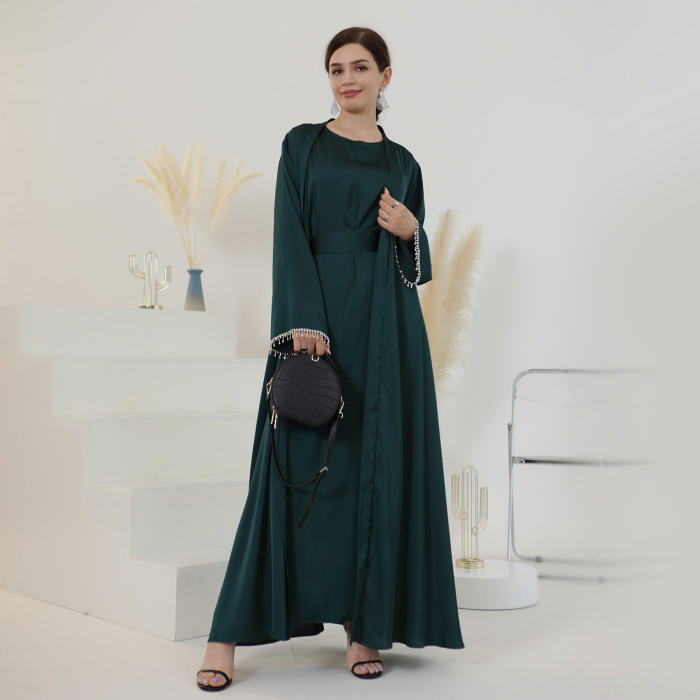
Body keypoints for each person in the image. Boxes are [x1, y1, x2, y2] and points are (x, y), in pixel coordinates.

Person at [196, 26, 464, 691]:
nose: (347, 79)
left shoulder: (403, 161)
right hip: (316, 327)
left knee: (373, 473)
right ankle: (225, 635)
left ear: (385, 77)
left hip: (386, 333)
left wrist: (414, 233)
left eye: (361, 68)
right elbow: (289, 232)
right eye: (337, 69)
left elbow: (410, 271)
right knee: (286, 473)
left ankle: (363, 629)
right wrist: (302, 321)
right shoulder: (302, 145)